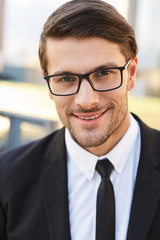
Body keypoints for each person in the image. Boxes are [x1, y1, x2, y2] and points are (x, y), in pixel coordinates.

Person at [0, 0, 160, 239]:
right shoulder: (7, 178)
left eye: (104, 73)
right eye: (66, 78)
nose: (86, 101)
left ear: (132, 73)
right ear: (49, 85)